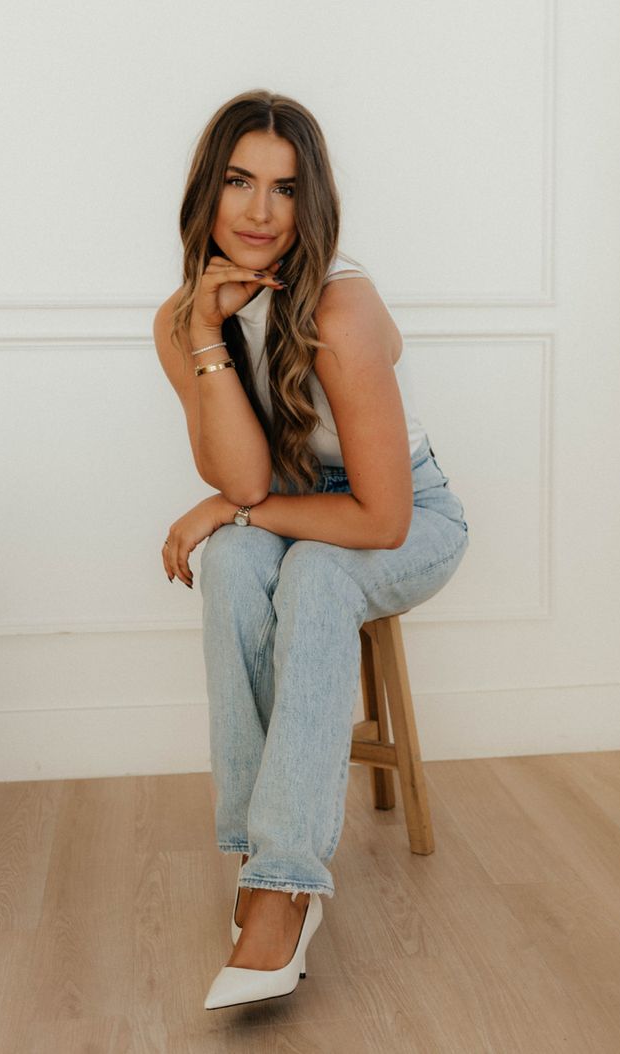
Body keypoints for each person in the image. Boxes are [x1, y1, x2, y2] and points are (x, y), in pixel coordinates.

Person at [152, 88, 469, 1010]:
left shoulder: (341, 309)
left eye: (285, 190)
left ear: (312, 203)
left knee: (318, 573)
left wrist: (232, 510)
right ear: (206, 193)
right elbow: (251, 485)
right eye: (239, 183)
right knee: (234, 564)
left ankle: (282, 885)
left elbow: (381, 521)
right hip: (290, 505)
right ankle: (262, 867)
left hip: (410, 515)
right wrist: (209, 338)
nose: (259, 212)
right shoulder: (183, 321)